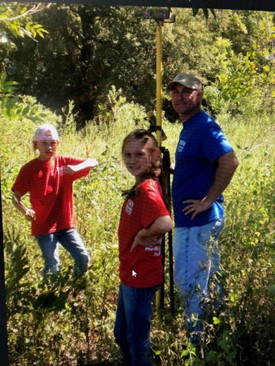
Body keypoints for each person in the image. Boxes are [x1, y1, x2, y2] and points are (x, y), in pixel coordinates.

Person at [167, 72, 239, 343]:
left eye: (187, 91)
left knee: (189, 283)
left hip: (196, 222)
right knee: (208, 279)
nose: (180, 97)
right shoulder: (191, 126)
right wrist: (175, 169)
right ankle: (218, 334)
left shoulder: (203, 126)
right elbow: (200, 164)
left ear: (200, 94)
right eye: (175, 92)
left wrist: (208, 200)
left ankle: (195, 343)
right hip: (200, 221)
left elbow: (229, 161)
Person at [114, 129, 172, 366]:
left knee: (137, 340)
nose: (132, 160)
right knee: (122, 334)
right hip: (130, 271)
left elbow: (165, 222)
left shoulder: (147, 189)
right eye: (127, 155)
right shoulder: (144, 184)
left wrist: (142, 235)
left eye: (139, 154)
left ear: (153, 155)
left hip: (140, 274)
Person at [12, 123, 98, 281]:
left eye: (52, 143)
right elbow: (15, 197)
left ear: (57, 144)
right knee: (53, 267)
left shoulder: (64, 162)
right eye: (44, 143)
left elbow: (93, 161)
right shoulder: (29, 169)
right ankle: (49, 300)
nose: (49, 147)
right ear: (36, 144)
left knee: (83, 258)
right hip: (44, 227)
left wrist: (77, 168)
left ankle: (73, 289)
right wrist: (25, 211)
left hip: (66, 225)